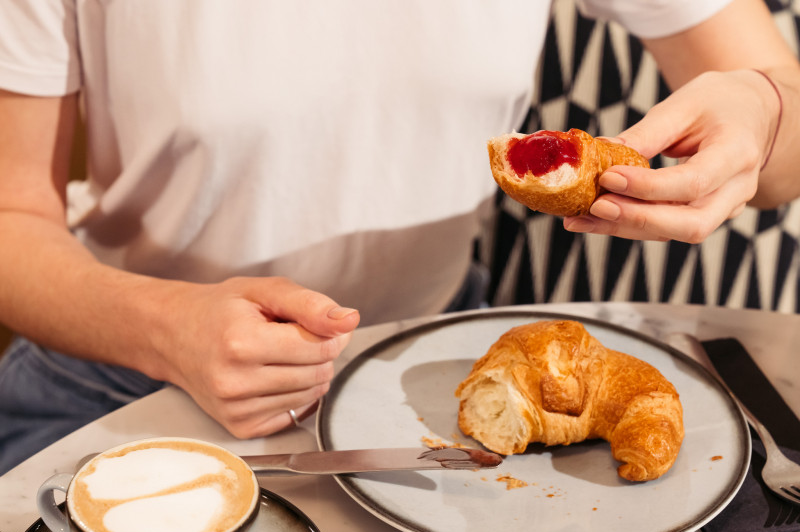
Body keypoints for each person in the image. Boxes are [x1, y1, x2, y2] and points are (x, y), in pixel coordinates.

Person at [0, 0, 797, 473]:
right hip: (115, 384)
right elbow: (13, 219)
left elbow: (786, 146)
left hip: (428, 379)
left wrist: (764, 110)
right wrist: (164, 329)